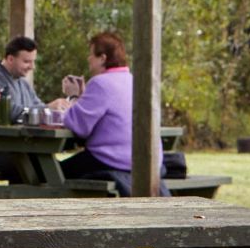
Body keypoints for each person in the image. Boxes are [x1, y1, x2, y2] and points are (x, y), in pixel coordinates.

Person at [47, 29, 165, 197]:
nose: (88, 59)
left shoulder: (100, 83)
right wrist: (80, 97)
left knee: (48, 175)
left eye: (91, 55)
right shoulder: (134, 80)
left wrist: (69, 101)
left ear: (102, 58)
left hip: (112, 161)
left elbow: (79, 126)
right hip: (146, 162)